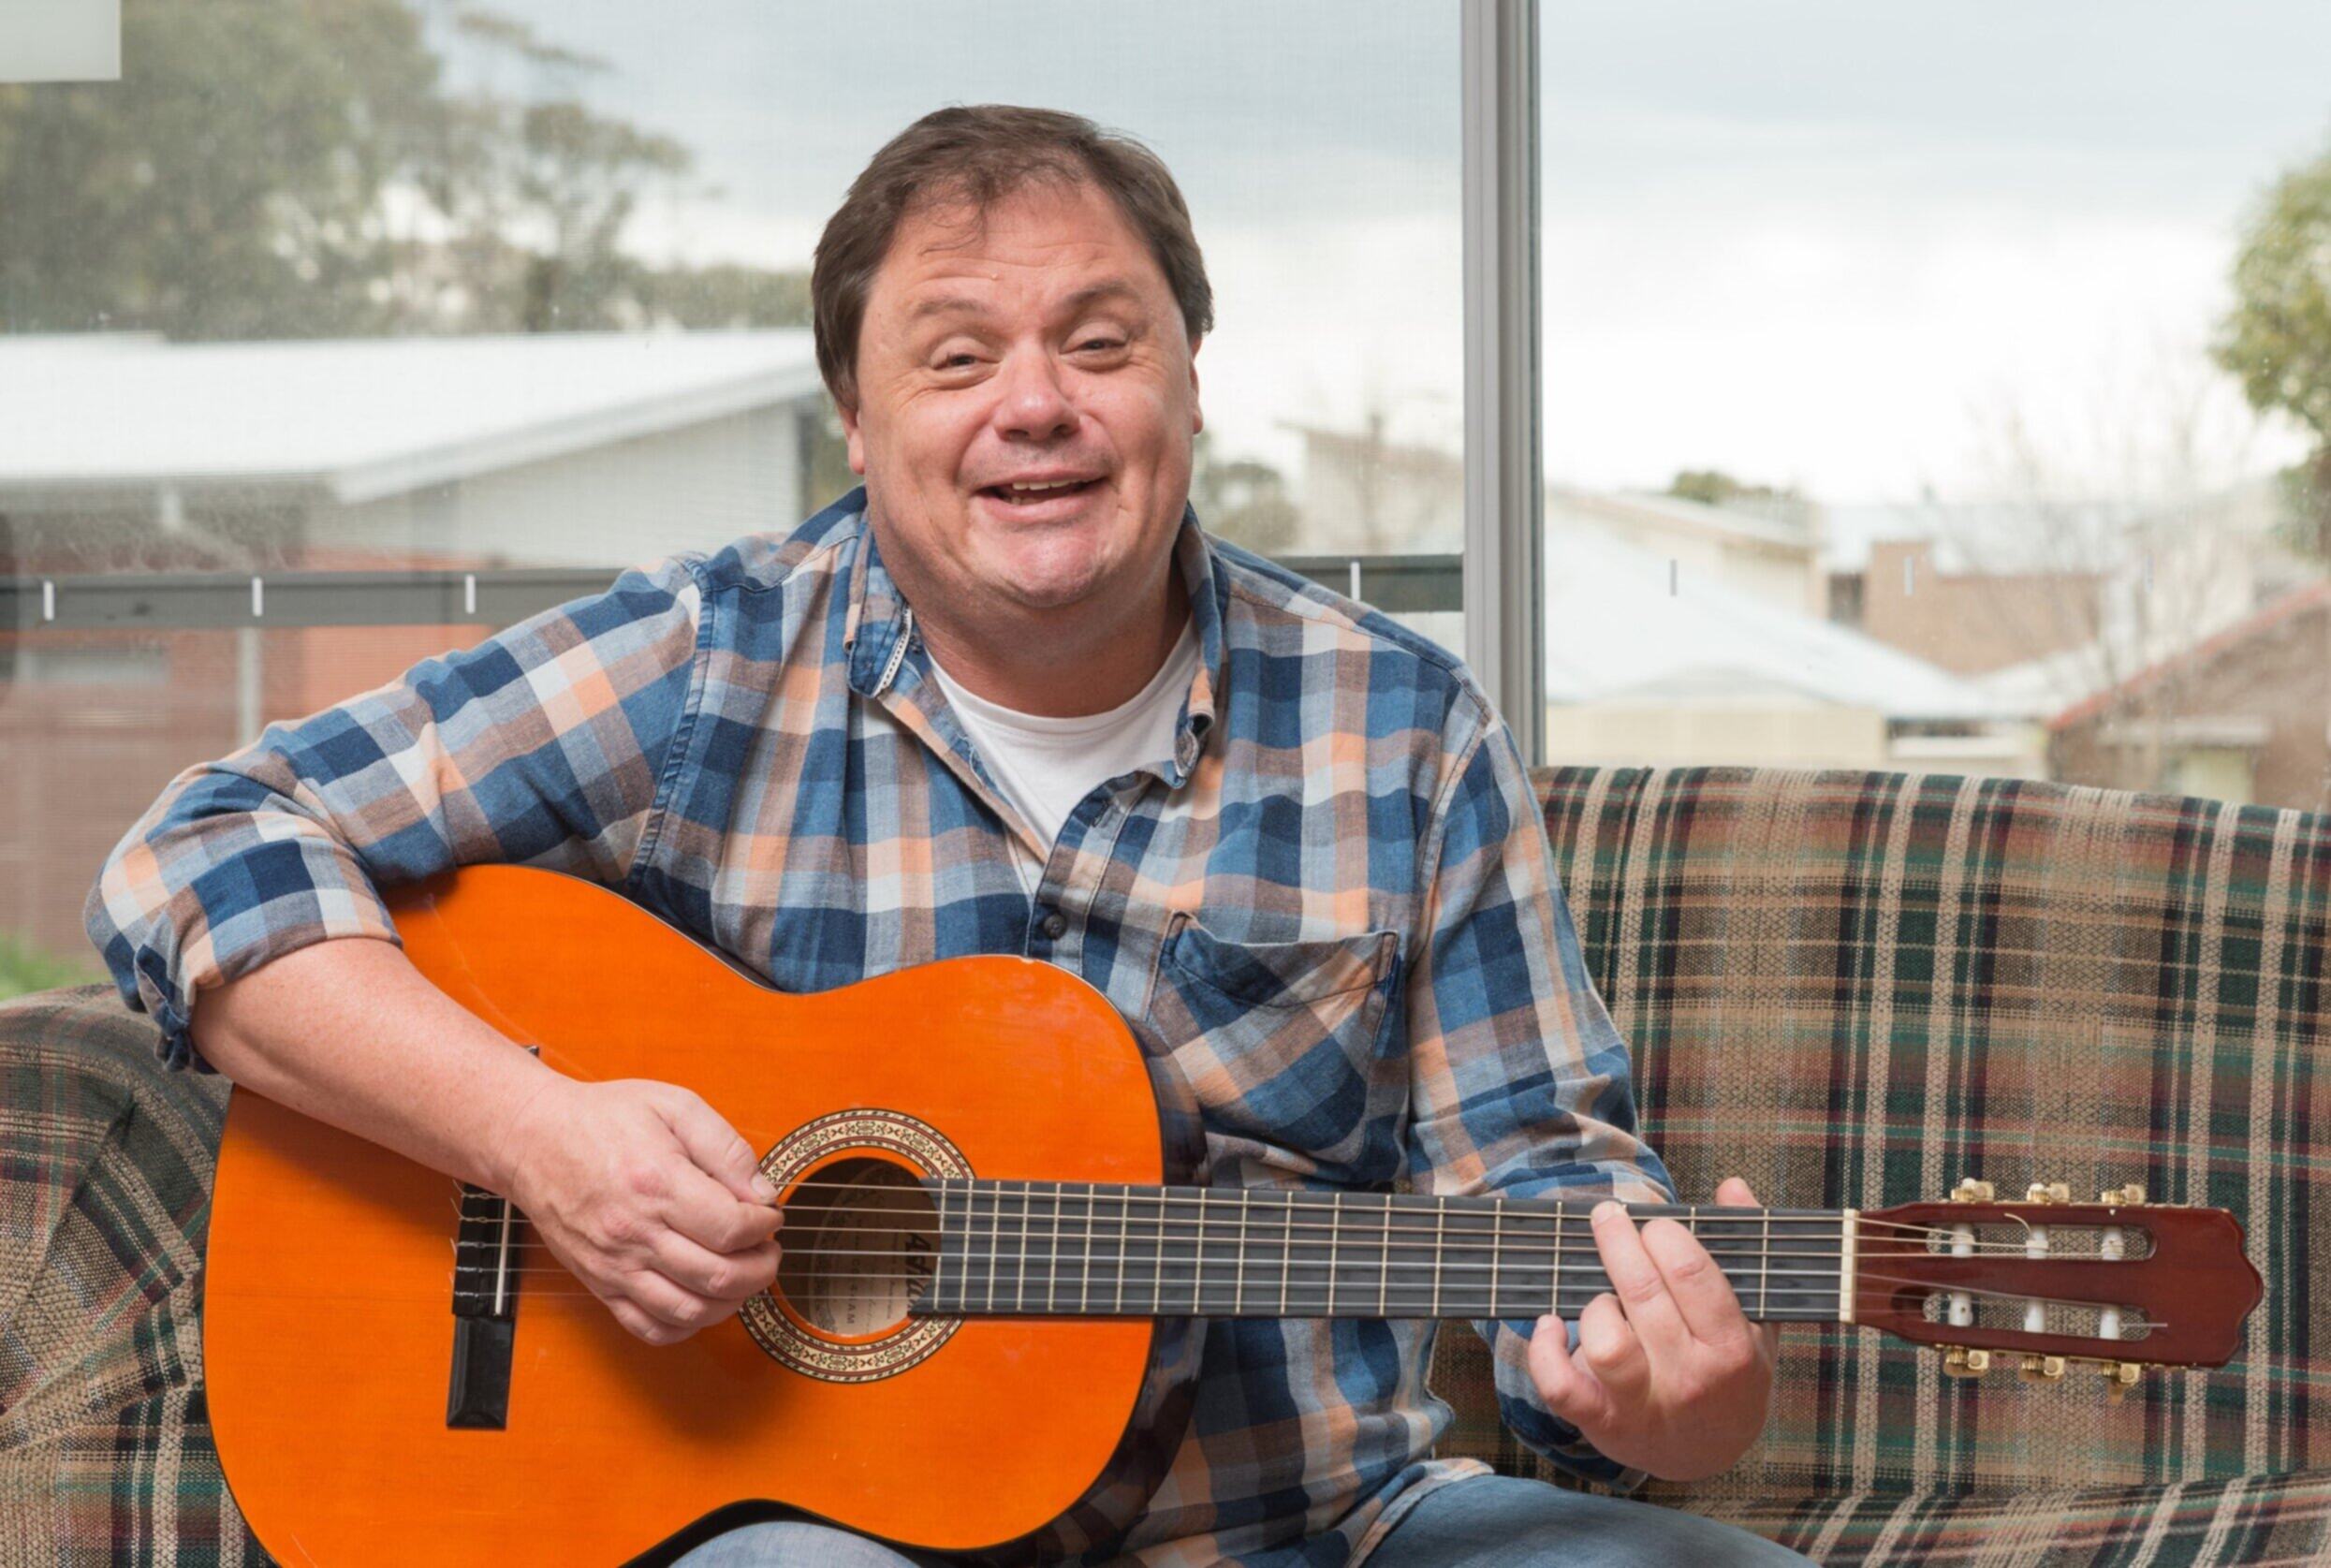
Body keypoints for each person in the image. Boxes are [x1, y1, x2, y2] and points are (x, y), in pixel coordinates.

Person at [86, 105, 1810, 1568]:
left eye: (1100, 341)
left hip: (1305, 1527)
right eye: (956, 354)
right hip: (812, 1530)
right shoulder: (702, 662)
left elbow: (1544, 1195)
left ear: (1189, 387)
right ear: (858, 416)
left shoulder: (1406, 725)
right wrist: (535, 1136)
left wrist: (1672, 1398)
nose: (1035, 403)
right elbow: (197, 849)